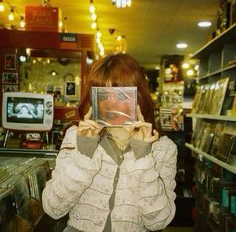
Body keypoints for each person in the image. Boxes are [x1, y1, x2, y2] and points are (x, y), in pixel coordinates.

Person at [42, 53, 177, 232]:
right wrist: (85, 152)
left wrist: (142, 155)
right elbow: (53, 208)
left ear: (138, 96)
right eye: (103, 95)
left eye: (121, 95)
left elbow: (159, 221)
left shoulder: (163, 148)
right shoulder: (78, 136)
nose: (111, 104)